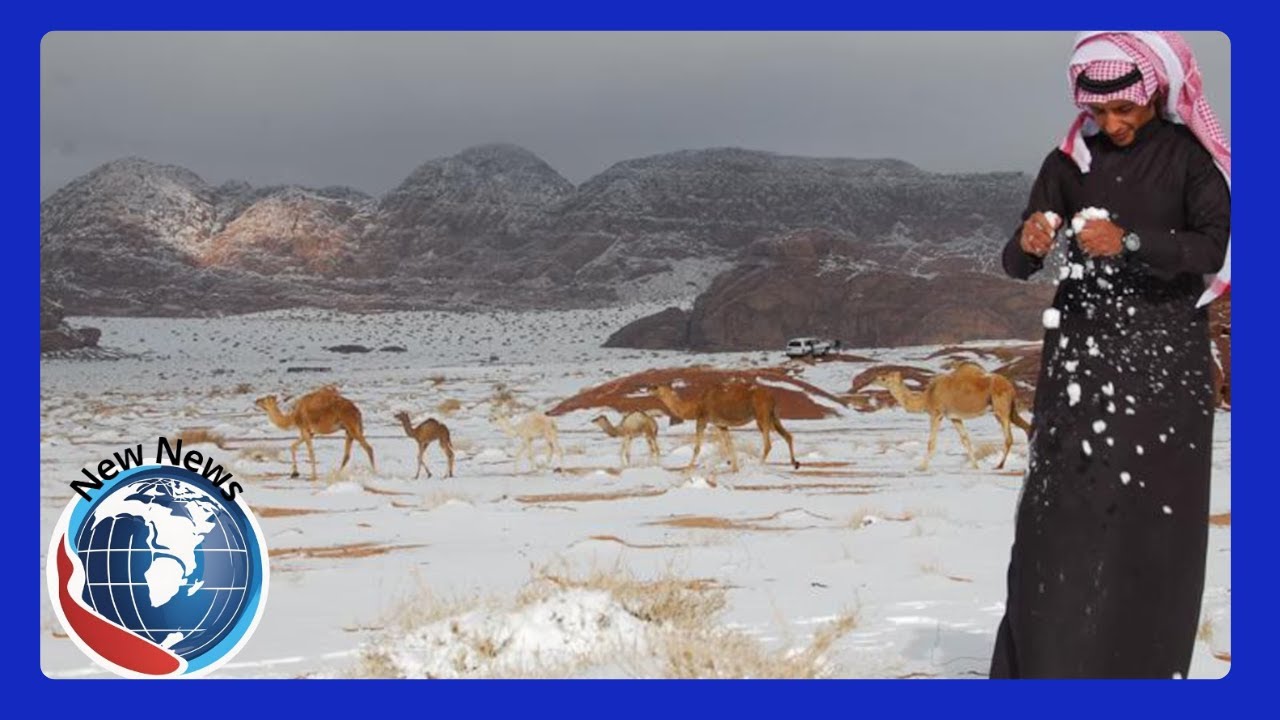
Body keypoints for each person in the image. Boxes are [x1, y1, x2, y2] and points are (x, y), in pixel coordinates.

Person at [990, 31, 1230, 679]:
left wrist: (1129, 242)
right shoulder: (1068, 164)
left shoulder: (1189, 162)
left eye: (1124, 109)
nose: (1112, 124)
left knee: (1152, 524)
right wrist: (1031, 241)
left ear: (1154, 92)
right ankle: (1045, 672)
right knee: (1059, 519)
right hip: (1080, 366)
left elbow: (1212, 248)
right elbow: (1016, 262)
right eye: (1099, 113)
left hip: (1165, 362)